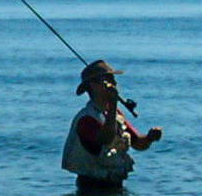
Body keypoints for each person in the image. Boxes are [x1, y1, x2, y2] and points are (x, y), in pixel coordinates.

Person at [62, 60, 163, 188]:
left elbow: (137, 142)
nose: (115, 84)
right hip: (92, 188)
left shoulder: (115, 114)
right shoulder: (86, 119)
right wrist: (113, 103)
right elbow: (106, 139)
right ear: (94, 86)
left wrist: (150, 138)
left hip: (114, 186)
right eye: (109, 80)